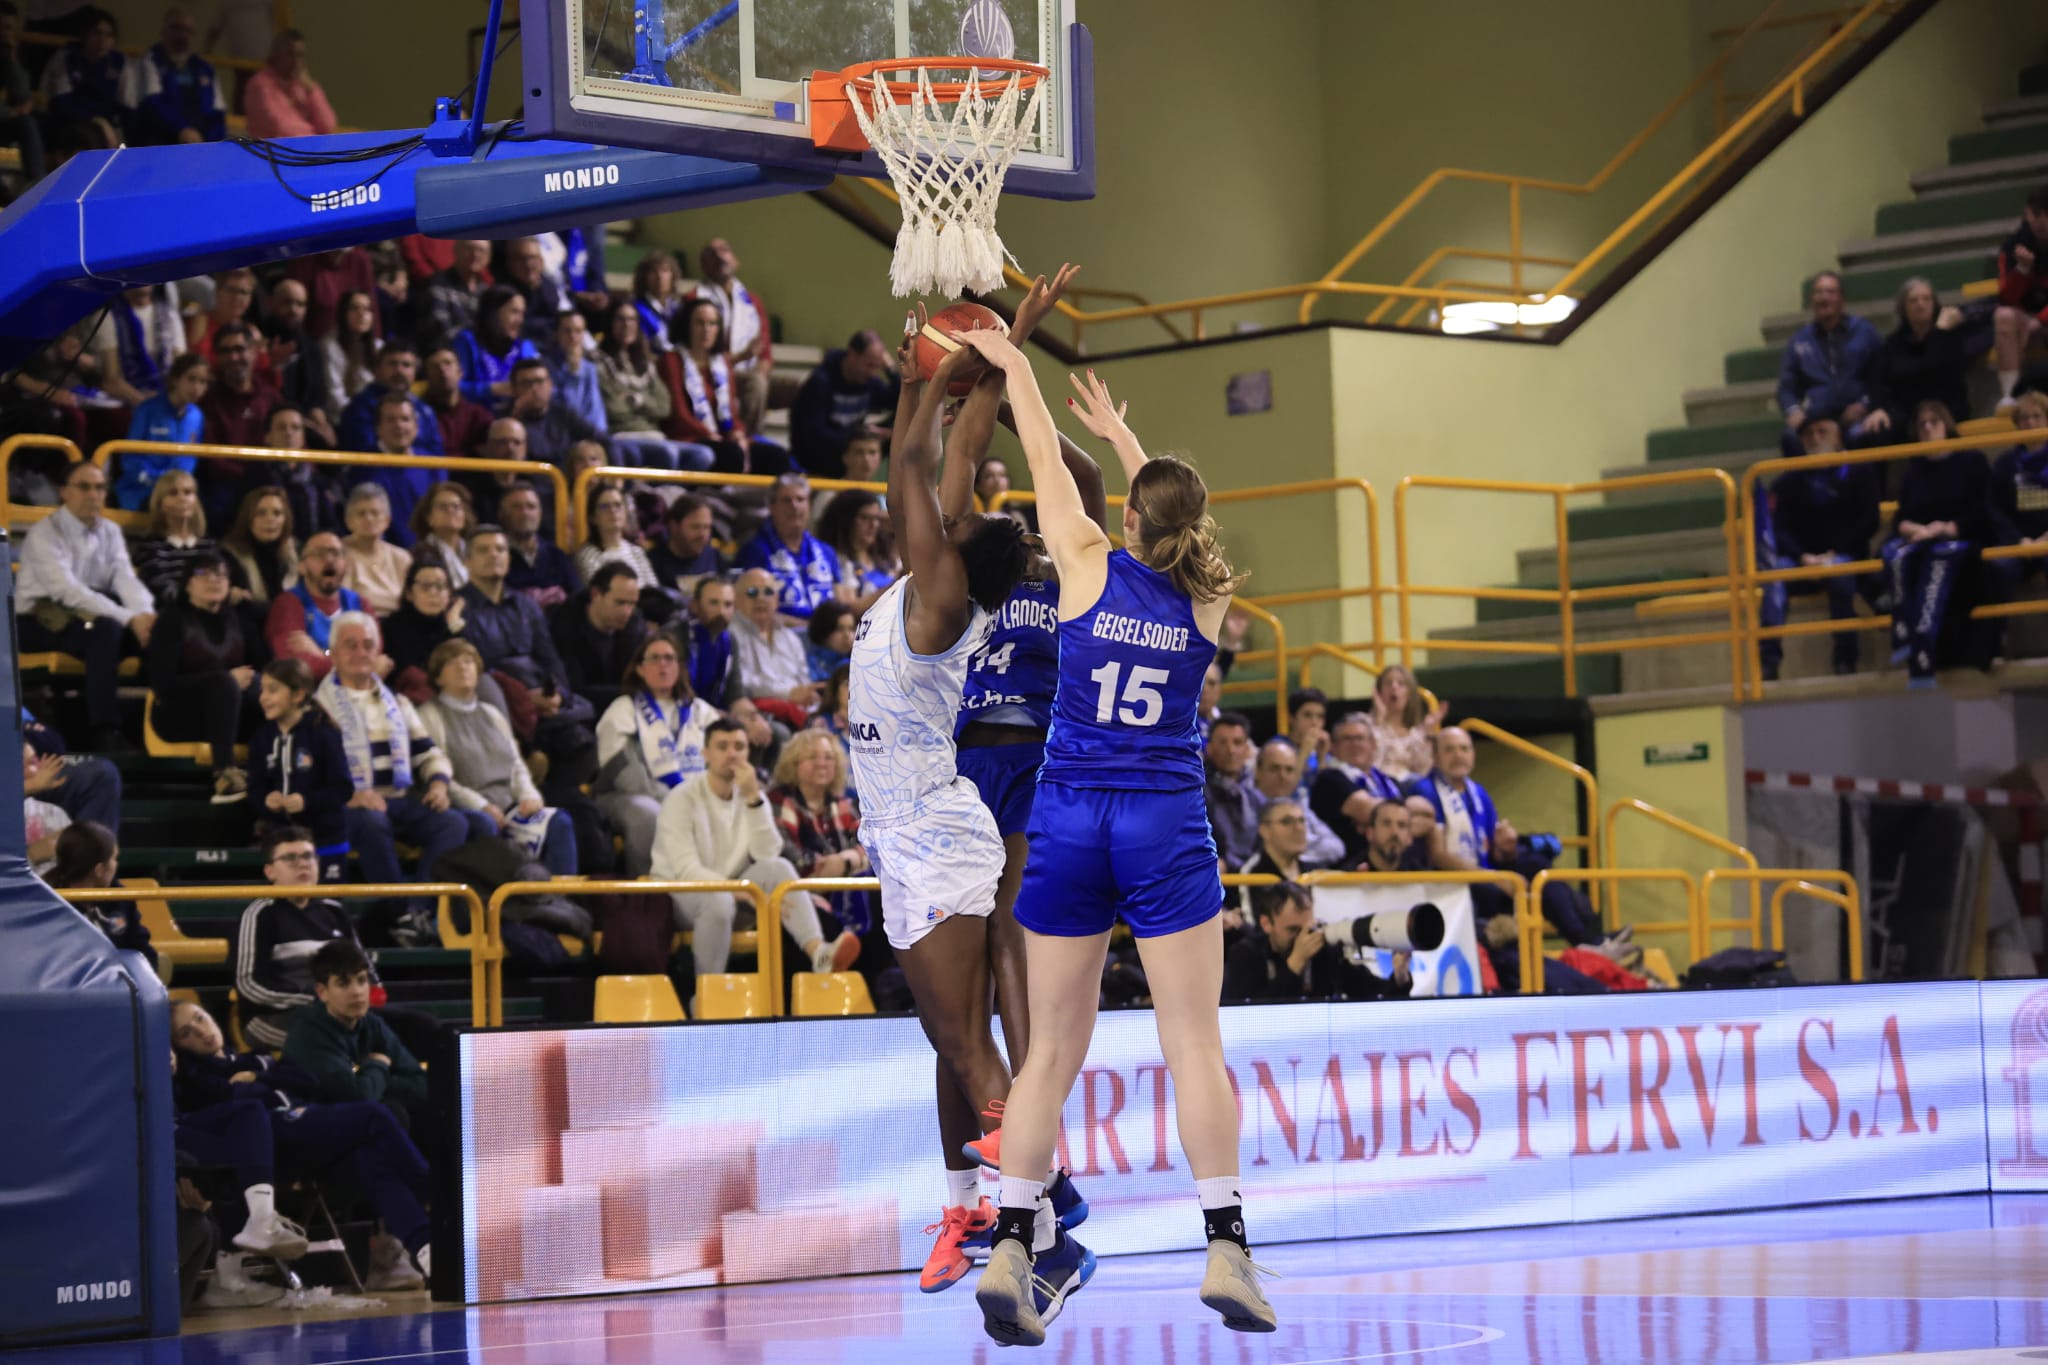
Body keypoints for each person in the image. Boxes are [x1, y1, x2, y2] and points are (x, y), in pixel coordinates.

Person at [951, 337, 1272, 1341]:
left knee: (1047, 1051)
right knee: (1193, 1045)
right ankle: (1224, 1244)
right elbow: (1178, 519)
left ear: (1125, 519)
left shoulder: (1084, 565)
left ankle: (1010, 1241)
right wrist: (1131, 442)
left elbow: (1041, 452)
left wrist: (1017, 365)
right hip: (1163, 822)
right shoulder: (1208, 600)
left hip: (1069, 819)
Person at [838, 298, 1092, 1311]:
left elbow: (913, 470)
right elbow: (942, 467)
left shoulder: (940, 599)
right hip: (921, 830)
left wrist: (922, 381)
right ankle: (1000, 1201)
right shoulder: (943, 581)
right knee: (951, 1039)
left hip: (933, 831)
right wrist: (979, 367)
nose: (953, 508)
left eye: (959, 520)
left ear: (953, 552)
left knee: (964, 1042)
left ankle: (1047, 1217)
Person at [170, 998, 432, 1293]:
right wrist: (272, 1088)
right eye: (185, 1032)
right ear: (177, 1047)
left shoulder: (251, 1059)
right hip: (270, 1147)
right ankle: (432, 1191)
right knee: (374, 1114)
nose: (200, 1031)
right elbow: (249, 1100)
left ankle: (427, 1250)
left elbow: (305, 1080)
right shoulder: (193, 1076)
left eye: (200, 1018)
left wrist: (259, 1078)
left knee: (369, 1157)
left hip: (299, 1138)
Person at [651, 718, 856, 1000]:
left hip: (733, 887)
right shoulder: (682, 797)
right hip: (676, 892)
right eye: (722, 746)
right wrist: (744, 893)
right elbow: (687, 869)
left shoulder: (750, 794)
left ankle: (818, 953)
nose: (732, 754)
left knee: (778, 868)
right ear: (705, 754)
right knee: (718, 899)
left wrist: (752, 799)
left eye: (739, 746)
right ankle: (709, 993)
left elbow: (767, 854)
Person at [316, 612, 492, 912]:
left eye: (368, 645)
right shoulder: (318, 706)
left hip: (396, 799)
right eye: (350, 645)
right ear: (333, 653)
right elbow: (313, 770)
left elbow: (429, 752)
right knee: (372, 822)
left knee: (452, 822)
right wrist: (351, 796)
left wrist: (438, 783)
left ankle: (419, 911)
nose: (360, 652)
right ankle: (396, 911)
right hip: (346, 806)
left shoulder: (397, 702)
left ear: (378, 652)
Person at [17, 460, 156, 750]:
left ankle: (161, 725)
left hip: (86, 614)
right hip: (38, 618)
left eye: (100, 487)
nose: (94, 494)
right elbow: (68, 592)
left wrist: (145, 616)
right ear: (64, 491)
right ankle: (105, 730)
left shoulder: (111, 531)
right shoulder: (45, 532)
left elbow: (125, 579)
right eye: (84, 487)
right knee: (106, 630)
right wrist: (129, 619)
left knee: (160, 631)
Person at [418, 640, 579, 877]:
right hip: (466, 808)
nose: (462, 668)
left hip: (509, 807)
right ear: (438, 677)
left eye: (468, 661)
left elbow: (516, 765)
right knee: (485, 825)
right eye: (451, 663)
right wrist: (481, 805)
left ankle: (560, 906)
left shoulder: (492, 713)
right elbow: (438, 775)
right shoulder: (429, 715)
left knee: (559, 821)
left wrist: (529, 796)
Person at [1757, 414, 1885, 680]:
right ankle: (1768, 661)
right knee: (1773, 576)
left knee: (1840, 578)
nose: (1815, 438)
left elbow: (1868, 521)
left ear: (1838, 436)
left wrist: (1834, 554)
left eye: (1822, 432)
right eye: (1809, 434)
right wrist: (1803, 557)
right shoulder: (1787, 481)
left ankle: (1845, 658)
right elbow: (1778, 529)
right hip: (1802, 562)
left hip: (1844, 558)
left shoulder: (1861, 472)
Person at [1882, 401, 1994, 684]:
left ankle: (1954, 651)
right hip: (1924, 540)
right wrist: (1916, 529)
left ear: (1947, 425)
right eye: (1922, 424)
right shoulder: (1913, 469)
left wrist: (1948, 527)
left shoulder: (1972, 460)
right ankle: (1909, 639)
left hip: (1962, 539)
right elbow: (1901, 518)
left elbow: (1983, 507)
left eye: (1934, 422)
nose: (1928, 428)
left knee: (1945, 564)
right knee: (1895, 556)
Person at [596, 631, 718, 876]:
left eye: (669, 658)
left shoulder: (700, 711)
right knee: (648, 814)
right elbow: (622, 773)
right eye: (654, 659)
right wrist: (674, 800)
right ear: (640, 669)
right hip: (629, 795)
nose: (663, 665)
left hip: (695, 793)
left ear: (680, 667)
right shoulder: (623, 709)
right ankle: (650, 892)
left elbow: (722, 757)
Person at [283, 940, 432, 1140]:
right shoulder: (308, 1031)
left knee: (429, 1111)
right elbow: (358, 1098)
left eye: (362, 980)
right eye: (343, 983)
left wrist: (369, 1080)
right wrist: (377, 1065)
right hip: (310, 1125)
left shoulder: (372, 1024)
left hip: (353, 1116)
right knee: (390, 1112)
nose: (357, 991)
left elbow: (420, 1085)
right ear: (322, 992)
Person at [146, 553, 259, 803]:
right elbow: (163, 685)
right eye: (203, 574)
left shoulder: (238, 619)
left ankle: (272, 768)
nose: (213, 580)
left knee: (262, 684)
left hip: (231, 716)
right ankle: (224, 773)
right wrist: (225, 681)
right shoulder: (171, 620)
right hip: (179, 714)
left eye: (220, 574)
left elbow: (265, 663)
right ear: (188, 584)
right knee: (224, 682)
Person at [767, 727, 874, 952]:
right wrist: (830, 866)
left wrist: (847, 858)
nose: (822, 763)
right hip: (800, 894)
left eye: (828, 757)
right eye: (812, 757)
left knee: (880, 904)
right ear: (793, 763)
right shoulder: (779, 801)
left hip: (843, 890)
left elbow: (870, 846)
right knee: (829, 920)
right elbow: (787, 855)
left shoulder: (841, 803)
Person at [1222, 882, 1409, 1005]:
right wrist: (1294, 964)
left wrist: (1399, 979)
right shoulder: (1245, 954)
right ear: (1266, 923)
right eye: (1293, 930)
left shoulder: (1324, 949)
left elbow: (1370, 994)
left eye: (1308, 926)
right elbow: (1246, 1015)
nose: (1304, 936)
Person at [249, 659, 353, 877]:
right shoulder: (262, 737)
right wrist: (267, 801)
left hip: (326, 839)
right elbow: (255, 787)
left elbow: (342, 788)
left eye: (273, 690)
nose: (263, 698)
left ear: (297, 695)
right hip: (282, 842)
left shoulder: (323, 732)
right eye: (262, 690)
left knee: (325, 907)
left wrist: (307, 802)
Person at [662, 296, 786, 475]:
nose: (706, 330)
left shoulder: (722, 364)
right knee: (731, 454)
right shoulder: (671, 360)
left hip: (722, 438)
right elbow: (679, 413)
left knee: (776, 456)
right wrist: (709, 435)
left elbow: (732, 415)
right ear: (686, 326)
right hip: (690, 436)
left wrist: (737, 433)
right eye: (699, 323)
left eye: (712, 324)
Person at [1777, 270, 1884, 457]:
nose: (1823, 298)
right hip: (1816, 420)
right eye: (1818, 292)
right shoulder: (1800, 341)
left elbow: (1882, 376)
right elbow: (1786, 388)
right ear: (1812, 301)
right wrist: (1793, 411)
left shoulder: (1864, 332)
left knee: (1870, 432)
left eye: (1830, 292)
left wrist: (1865, 404)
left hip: (1856, 417)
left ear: (1842, 299)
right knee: (1790, 438)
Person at [597, 301, 710, 472]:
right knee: (668, 453)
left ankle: (673, 494)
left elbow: (664, 408)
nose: (627, 325)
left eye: (632, 320)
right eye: (621, 319)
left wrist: (634, 400)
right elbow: (613, 409)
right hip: (622, 435)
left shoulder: (646, 363)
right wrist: (646, 404)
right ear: (610, 323)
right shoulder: (598, 362)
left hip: (655, 435)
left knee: (703, 455)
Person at [1867, 277, 1979, 439]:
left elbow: (1929, 370)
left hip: (1945, 410)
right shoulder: (1893, 343)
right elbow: (1877, 380)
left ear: (1934, 304)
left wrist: (1939, 332)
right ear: (1903, 308)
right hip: (1908, 412)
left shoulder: (1951, 337)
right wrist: (1877, 408)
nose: (1920, 304)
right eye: (1913, 300)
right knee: (1874, 429)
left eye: (1926, 299)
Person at [688, 238, 773, 431]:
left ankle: (750, 440)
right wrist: (740, 358)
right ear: (703, 265)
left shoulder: (753, 302)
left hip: (743, 374)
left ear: (736, 260)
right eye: (712, 253)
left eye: (724, 250)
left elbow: (765, 353)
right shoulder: (694, 300)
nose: (720, 257)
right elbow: (696, 356)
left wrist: (760, 369)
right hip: (707, 373)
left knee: (759, 382)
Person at [790, 329, 900, 478]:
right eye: (869, 365)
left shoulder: (867, 382)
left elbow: (901, 401)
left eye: (877, 366)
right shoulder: (821, 382)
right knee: (864, 442)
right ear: (853, 355)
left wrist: (891, 370)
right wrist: (861, 433)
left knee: (900, 428)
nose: (873, 372)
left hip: (849, 447)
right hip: (819, 456)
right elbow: (813, 435)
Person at [736, 474, 845, 621]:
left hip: (828, 636)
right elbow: (747, 608)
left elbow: (840, 603)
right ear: (771, 507)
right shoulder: (754, 551)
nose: (794, 506)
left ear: (809, 506)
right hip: (781, 636)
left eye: (800, 499)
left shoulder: (826, 552)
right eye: (786, 501)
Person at [47, 821, 154, 966]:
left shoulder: (119, 896)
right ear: (99, 870)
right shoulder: (49, 903)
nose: (116, 864)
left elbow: (140, 948)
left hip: (120, 981)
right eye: (114, 858)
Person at [118, 5, 226, 145]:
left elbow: (217, 113)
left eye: (188, 30)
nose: (182, 35)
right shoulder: (149, 61)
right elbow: (152, 104)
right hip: (160, 143)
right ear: (163, 31)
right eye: (175, 28)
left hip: (201, 144)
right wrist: (182, 129)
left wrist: (212, 144)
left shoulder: (205, 68)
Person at [552, 562, 648, 713]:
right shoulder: (565, 626)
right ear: (595, 594)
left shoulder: (635, 627)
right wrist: (627, 693)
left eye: (632, 604)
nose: (627, 612)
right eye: (620, 602)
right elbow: (573, 688)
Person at [117, 352, 209, 511]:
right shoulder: (147, 410)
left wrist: (178, 486)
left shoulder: (197, 416)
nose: (197, 388)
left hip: (178, 493)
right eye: (191, 379)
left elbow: (190, 460)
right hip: (141, 491)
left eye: (202, 382)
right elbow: (130, 459)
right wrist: (159, 482)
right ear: (175, 379)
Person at [265, 530, 361, 682]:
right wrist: (352, 664)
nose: (329, 559)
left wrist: (322, 654)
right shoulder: (288, 604)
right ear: (301, 567)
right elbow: (297, 668)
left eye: (336, 553)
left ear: (345, 564)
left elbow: (374, 659)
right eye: (319, 554)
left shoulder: (359, 603)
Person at [1310, 713, 1404, 867]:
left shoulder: (1390, 782)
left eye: (1360, 738)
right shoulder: (1329, 780)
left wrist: (1379, 820)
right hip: (1351, 870)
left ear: (1373, 744)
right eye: (1347, 739)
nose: (1355, 744)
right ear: (1333, 748)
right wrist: (1399, 821)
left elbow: (1381, 814)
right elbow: (1374, 812)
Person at [351, 393, 435, 550]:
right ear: (378, 428)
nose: (399, 426)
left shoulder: (432, 464)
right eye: (390, 420)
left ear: (416, 428)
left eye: (405, 419)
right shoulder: (362, 467)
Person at [39, 6, 124, 157]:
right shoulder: (66, 58)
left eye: (109, 35)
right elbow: (61, 103)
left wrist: (108, 125)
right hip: (68, 123)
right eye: (97, 33)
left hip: (105, 126)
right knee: (86, 139)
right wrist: (97, 120)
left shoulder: (118, 63)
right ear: (85, 35)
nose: (102, 40)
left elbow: (124, 107)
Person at [1248, 738, 1344, 866]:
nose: (1282, 776)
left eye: (1289, 770)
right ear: (1258, 772)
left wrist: (1297, 856)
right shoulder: (1244, 804)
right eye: (1274, 768)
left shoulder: (1299, 805)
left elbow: (1336, 847)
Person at [1994, 185, 2048, 409]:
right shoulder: (2014, 244)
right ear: (2028, 213)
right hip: (2026, 318)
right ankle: (2010, 395)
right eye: (2037, 215)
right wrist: (2023, 270)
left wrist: (2041, 320)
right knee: (2003, 316)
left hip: (2040, 319)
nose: (2042, 222)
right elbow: (2007, 297)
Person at [131, 468, 218, 606]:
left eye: (188, 492)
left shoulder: (208, 545)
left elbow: (216, 579)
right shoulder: (150, 548)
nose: (182, 498)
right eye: (173, 493)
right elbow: (161, 589)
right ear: (160, 505)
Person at [731, 567, 816, 706]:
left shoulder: (790, 637)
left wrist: (806, 695)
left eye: (768, 592)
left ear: (776, 599)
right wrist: (788, 693)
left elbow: (803, 679)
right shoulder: (730, 635)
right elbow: (742, 683)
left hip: (798, 707)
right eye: (752, 592)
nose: (761, 598)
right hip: (759, 711)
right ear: (737, 599)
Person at [1990, 392, 2048, 591]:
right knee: (1996, 568)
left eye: (2037, 416)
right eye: (2024, 418)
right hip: (2018, 542)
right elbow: (1995, 508)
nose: (2031, 422)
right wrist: (2017, 539)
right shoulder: (2005, 463)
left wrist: (2044, 540)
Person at [508, 356, 606, 471]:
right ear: (514, 389)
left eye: (539, 381)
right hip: (527, 483)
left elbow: (605, 441)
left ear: (550, 385)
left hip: (567, 484)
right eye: (527, 383)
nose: (534, 389)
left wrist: (615, 481)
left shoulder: (564, 415)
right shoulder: (504, 421)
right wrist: (515, 419)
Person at [498, 480, 581, 607]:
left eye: (531, 507)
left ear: (540, 514)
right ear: (502, 514)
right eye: (516, 507)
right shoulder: (495, 554)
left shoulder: (556, 555)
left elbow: (577, 598)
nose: (525, 513)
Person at [453, 285, 539, 406]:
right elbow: (455, 387)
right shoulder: (467, 341)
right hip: (477, 417)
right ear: (493, 313)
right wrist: (493, 389)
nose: (520, 320)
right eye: (514, 312)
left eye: (522, 314)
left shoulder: (523, 345)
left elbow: (538, 382)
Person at [241, 27, 333, 138]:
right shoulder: (259, 85)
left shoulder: (304, 85)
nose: (296, 61)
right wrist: (313, 132)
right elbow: (281, 127)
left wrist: (311, 90)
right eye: (290, 54)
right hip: (271, 151)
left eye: (300, 55)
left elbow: (327, 125)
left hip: (306, 147)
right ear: (275, 55)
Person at [218, 484, 299, 611]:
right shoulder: (229, 555)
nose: (270, 519)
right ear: (248, 518)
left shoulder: (296, 551)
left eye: (277, 513)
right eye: (261, 513)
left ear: (286, 519)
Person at [816, 488, 899, 611]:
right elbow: (850, 609)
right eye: (865, 518)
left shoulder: (886, 556)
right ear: (846, 520)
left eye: (876, 518)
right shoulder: (836, 561)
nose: (873, 525)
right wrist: (897, 585)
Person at [339, 482, 412, 616]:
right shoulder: (338, 554)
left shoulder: (402, 557)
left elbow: (413, 601)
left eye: (375, 513)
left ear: (387, 520)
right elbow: (342, 603)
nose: (369, 518)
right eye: (361, 514)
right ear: (348, 521)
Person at [1365, 664, 1442, 785]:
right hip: (1377, 785)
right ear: (1378, 692)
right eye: (1388, 683)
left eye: (1401, 684)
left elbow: (1423, 771)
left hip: (1409, 789)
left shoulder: (1415, 733)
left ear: (1409, 694)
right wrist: (1379, 722)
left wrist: (1426, 732)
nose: (1394, 687)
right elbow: (1370, 764)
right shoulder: (1366, 725)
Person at [572, 483, 659, 588]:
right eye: (604, 506)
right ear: (592, 517)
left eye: (618, 505)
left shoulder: (637, 551)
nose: (613, 510)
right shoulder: (587, 555)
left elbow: (654, 590)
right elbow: (601, 594)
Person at [1203, 713, 1261, 869]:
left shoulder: (1255, 793)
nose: (1231, 750)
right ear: (1209, 748)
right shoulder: (1198, 792)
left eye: (1237, 742)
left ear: (1247, 749)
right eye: (1223, 743)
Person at [420, 239, 493, 355]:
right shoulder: (438, 284)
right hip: (447, 354)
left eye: (481, 250)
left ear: (488, 257)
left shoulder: (487, 291)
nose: (475, 254)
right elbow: (440, 328)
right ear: (456, 251)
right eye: (469, 249)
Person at [420, 346, 495, 459]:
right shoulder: (417, 414)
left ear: (460, 371)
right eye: (435, 366)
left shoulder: (479, 416)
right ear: (427, 376)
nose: (442, 369)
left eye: (448, 363)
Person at [648, 493, 726, 596]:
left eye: (706, 527)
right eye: (695, 527)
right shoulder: (654, 562)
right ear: (674, 526)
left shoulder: (714, 556)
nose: (702, 534)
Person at [408, 480, 475, 590]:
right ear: (429, 518)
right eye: (443, 507)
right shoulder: (418, 555)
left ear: (465, 516)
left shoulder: (475, 550)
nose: (450, 510)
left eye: (456, 506)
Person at [630, 249, 689, 354]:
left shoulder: (679, 308)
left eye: (664, 271)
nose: (659, 276)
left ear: (673, 276)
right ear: (644, 278)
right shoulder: (635, 308)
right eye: (653, 271)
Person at [687, 575, 736, 704]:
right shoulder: (679, 637)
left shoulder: (730, 640)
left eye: (728, 604)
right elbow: (682, 694)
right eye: (713, 603)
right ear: (695, 605)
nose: (721, 612)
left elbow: (735, 693)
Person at [804, 601, 856, 683]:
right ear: (824, 630)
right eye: (839, 629)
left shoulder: (858, 661)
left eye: (851, 629)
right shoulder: (809, 664)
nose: (847, 635)